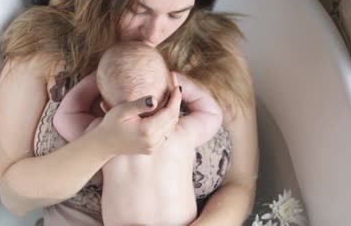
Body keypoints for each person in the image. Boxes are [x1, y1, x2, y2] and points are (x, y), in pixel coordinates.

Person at [0, 0, 259, 225]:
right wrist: (102, 144)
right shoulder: (42, 53)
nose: (154, 33)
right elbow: (12, 197)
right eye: (138, 9)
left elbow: (240, 185)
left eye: (176, 14)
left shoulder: (217, 56)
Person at [53, 42, 223, 225]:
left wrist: (94, 81)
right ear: (170, 96)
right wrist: (179, 84)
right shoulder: (182, 131)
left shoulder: (104, 134)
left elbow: (64, 117)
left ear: (105, 107)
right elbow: (212, 113)